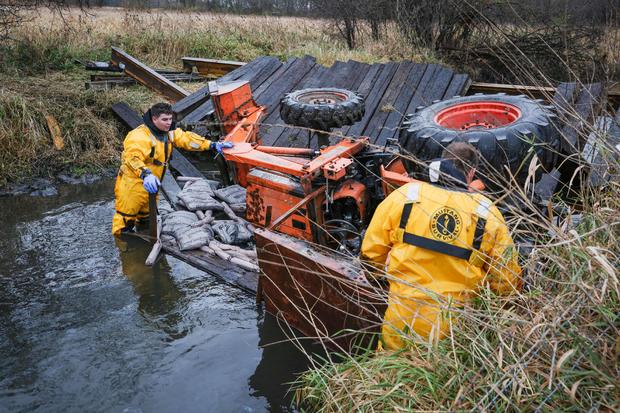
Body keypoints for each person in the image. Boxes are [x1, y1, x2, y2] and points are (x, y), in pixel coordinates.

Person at [361, 142, 522, 350]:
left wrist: (384, 284)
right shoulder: (486, 213)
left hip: (402, 321)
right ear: (472, 172)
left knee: (390, 374)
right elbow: (506, 280)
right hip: (456, 332)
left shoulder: (406, 196)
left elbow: (370, 254)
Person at [112, 102, 233, 235]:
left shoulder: (169, 132)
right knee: (124, 221)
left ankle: (144, 247)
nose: (169, 123)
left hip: (153, 184)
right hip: (133, 184)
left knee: (147, 219)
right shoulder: (139, 136)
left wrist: (212, 145)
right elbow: (132, 158)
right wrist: (145, 174)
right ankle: (124, 251)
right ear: (154, 119)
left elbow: (187, 139)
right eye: (165, 119)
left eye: (170, 119)